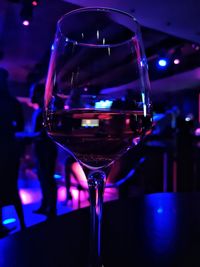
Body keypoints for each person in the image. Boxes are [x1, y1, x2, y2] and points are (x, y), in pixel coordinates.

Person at [0, 68, 26, 234]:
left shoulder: (12, 102)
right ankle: (23, 226)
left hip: (6, 150)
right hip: (10, 150)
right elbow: (21, 127)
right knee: (12, 188)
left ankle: (4, 226)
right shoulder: (13, 102)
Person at [30, 83, 57, 219]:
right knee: (43, 178)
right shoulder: (40, 111)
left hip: (46, 150)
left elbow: (43, 134)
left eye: (33, 92)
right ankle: (46, 205)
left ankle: (51, 208)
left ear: (41, 94)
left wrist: (24, 136)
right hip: (41, 149)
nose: (31, 95)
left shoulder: (45, 111)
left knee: (47, 178)